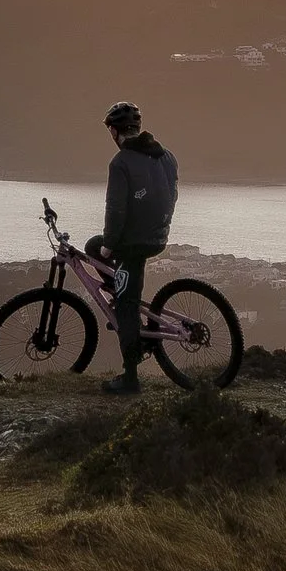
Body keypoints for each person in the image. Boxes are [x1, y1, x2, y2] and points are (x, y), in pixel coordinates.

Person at [91, 100, 178, 394]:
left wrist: (111, 245)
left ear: (115, 132)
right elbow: (172, 196)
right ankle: (120, 288)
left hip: (132, 244)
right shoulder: (167, 157)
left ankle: (130, 378)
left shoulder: (120, 162)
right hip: (157, 237)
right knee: (93, 246)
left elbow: (115, 210)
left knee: (126, 307)